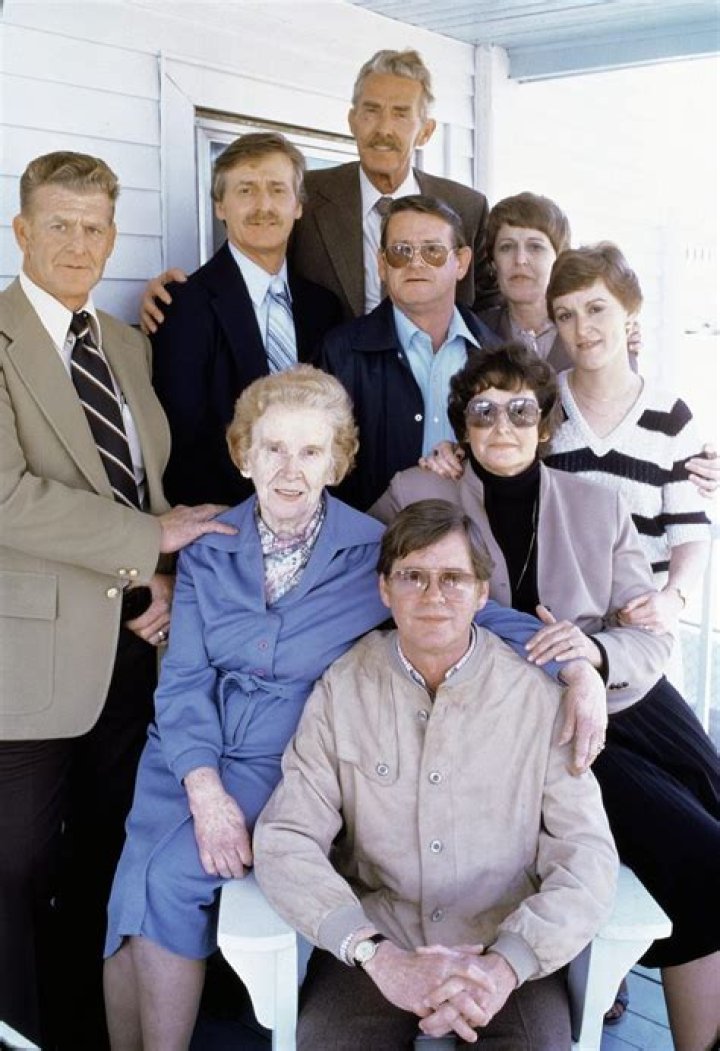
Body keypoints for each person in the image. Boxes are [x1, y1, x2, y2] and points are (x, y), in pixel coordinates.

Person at [101, 366, 595, 1049]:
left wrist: (579, 665)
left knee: (168, 879)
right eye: (273, 448)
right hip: (187, 753)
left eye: (310, 451)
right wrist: (201, 784)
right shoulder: (210, 545)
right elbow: (183, 679)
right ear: (244, 455)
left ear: (335, 463)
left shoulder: (370, 551)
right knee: (129, 893)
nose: (290, 469)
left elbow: (465, 608)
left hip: (277, 757)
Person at [373, 344, 720, 1051]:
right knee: (701, 855)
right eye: (484, 411)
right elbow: (377, 598)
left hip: (625, 691)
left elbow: (647, 635)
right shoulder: (417, 493)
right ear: (462, 425)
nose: (502, 425)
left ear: (546, 423)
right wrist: (559, 664)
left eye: (521, 410)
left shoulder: (598, 503)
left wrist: (593, 655)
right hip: (535, 719)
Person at [0, 150, 234, 1049]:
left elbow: (141, 484)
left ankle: (90, 1030)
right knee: (18, 865)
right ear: (22, 231)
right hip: (32, 656)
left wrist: (155, 577)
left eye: (94, 227)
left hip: (138, 642)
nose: (78, 242)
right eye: (59, 224)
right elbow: (8, 497)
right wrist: (150, 543)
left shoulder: (126, 344)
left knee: (109, 848)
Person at [254, 499, 618, 1050]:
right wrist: (373, 952)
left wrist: (507, 964)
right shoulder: (343, 688)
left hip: (504, 948)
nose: (433, 596)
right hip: (381, 946)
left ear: (480, 592)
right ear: (384, 588)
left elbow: (586, 854)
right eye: (412, 577)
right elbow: (286, 837)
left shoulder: (537, 699)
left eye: (453, 578)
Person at [139, 48, 498, 331]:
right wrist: (178, 294)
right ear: (352, 121)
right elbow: (252, 258)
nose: (383, 129)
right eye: (371, 111)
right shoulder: (306, 196)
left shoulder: (465, 207)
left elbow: (491, 307)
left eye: (401, 114)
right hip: (329, 380)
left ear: (426, 131)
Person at [150, 132, 342, 507]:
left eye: (277, 190)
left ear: (298, 206)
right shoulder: (183, 305)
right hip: (227, 518)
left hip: (315, 513)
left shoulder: (323, 307)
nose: (263, 205)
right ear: (220, 206)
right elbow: (182, 438)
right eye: (246, 190)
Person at [321, 195, 500, 510]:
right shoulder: (341, 352)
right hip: (374, 533)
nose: (416, 263)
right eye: (401, 251)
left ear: (461, 262)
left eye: (432, 251)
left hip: (476, 532)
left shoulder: (497, 355)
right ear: (382, 264)